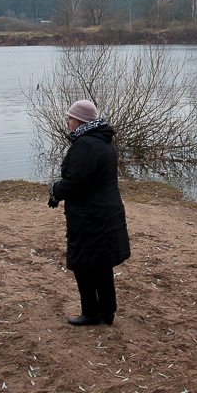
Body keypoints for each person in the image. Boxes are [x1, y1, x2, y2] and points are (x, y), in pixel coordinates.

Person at [48, 100, 131, 326]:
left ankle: (91, 313)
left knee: (82, 263)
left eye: (70, 118)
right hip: (107, 212)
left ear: (81, 120)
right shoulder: (103, 141)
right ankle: (108, 311)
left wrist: (54, 191)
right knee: (102, 262)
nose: (67, 121)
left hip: (89, 216)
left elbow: (74, 184)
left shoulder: (85, 145)